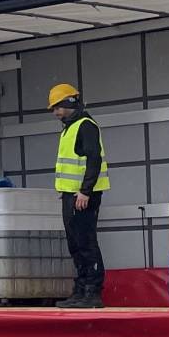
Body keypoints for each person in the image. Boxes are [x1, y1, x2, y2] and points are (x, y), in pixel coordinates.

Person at [50, 82, 109, 308]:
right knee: (75, 243)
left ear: (69, 103)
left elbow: (94, 159)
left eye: (58, 107)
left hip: (83, 195)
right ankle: (82, 289)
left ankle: (92, 292)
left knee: (86, 242)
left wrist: (85, 191)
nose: (55, 112)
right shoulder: (70, 127)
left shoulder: (85, 126)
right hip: (71, 195)